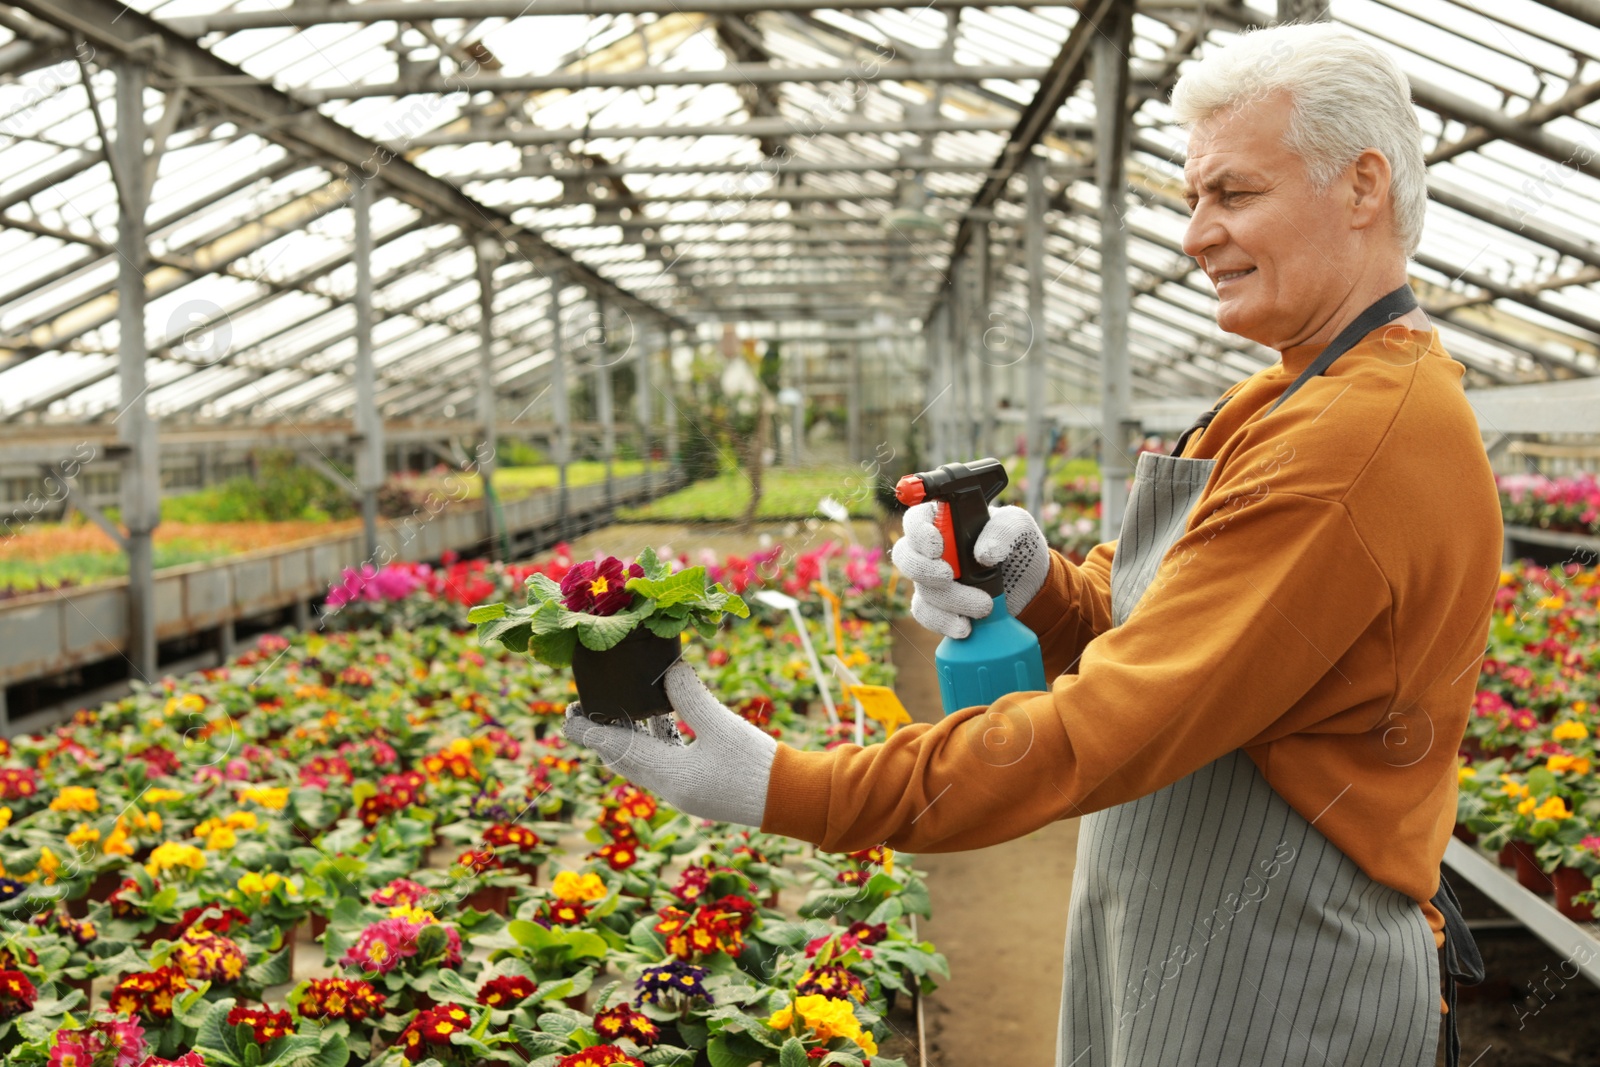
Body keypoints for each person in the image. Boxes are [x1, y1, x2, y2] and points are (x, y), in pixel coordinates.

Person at [565, 22, 1500, 1067]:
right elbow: (1159, 615)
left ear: (1362, 185)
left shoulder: (1354, 436)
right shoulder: (1287, 392)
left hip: (1284, 974)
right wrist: (1034, 582)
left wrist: (795, 785)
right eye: (1191, 199)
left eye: (1233, 196)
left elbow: (1112, 719)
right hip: (1187, 936)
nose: (1195, 234)